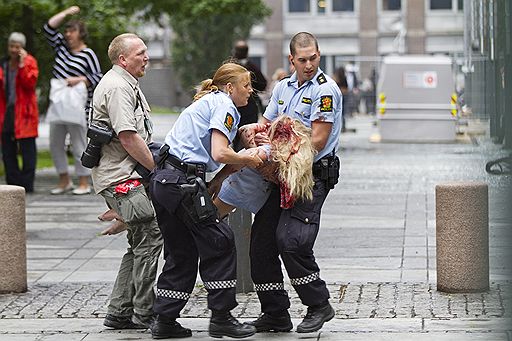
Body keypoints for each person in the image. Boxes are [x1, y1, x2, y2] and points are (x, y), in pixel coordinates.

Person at [148, 62, 262, 339]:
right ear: (229, 87)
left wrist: (214, 183)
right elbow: (221, 153)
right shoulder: (224, 105)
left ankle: (164, 319)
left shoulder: (211, 102)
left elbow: (225, 162)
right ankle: (222, 317)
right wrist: (247, 157)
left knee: (181, 250)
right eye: (246, 85)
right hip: (181, 183)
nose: (250, 91)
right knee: (220, 240)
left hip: (166, 181)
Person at [247, 32, 342, 334]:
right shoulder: (283, 88)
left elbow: (317, 139)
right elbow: (268, 123)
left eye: (313, 57)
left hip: (309, 176)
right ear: (292, 60)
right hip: (281, 173)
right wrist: (253, 133)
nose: (309, 64)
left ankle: (318, 304)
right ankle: (275, 313)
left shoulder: (325, 91)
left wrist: (276, 147)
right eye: (302, 60)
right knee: (261, 243)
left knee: (292, 240)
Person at [89, 33, 163, 330]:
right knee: (150, 234)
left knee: (139, 241)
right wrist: (155, 169)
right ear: (123, 59)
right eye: (140, 53)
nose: (146, 57)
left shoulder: (125, 82)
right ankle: (144, 312)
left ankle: (120, 311)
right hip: (120, 177)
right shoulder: (118, 86)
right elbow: (129, 137)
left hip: (123, 174)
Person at [44, 5, 102, 195]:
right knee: (55, 143)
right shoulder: (61, 48)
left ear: (81, 33)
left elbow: (98, 77)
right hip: (58, 106)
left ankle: (84, 182)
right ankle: (64, 180)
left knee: (79, 145)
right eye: (67, 30)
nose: (68, 34)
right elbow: (49, 27)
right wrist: (67, 13)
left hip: (78, 108)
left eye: (72, 30)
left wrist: (81, 80)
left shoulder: (88, 54)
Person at [0, 33, 39, 193]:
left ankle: (27, 185)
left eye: (17, 46)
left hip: (25, 113)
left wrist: (22, 64)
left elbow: (30, 83)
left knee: (28, 150)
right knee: (8, 150)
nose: (14, 50)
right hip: (6, 112)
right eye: (12, 46)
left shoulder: (29, 62)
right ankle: (13, 184)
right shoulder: (4, 64)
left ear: (22, 48)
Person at [231, 40, 267, 129]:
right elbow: (263, 84)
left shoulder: (230, 68)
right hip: (250, 107)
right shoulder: (253, 68)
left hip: (236, 106)